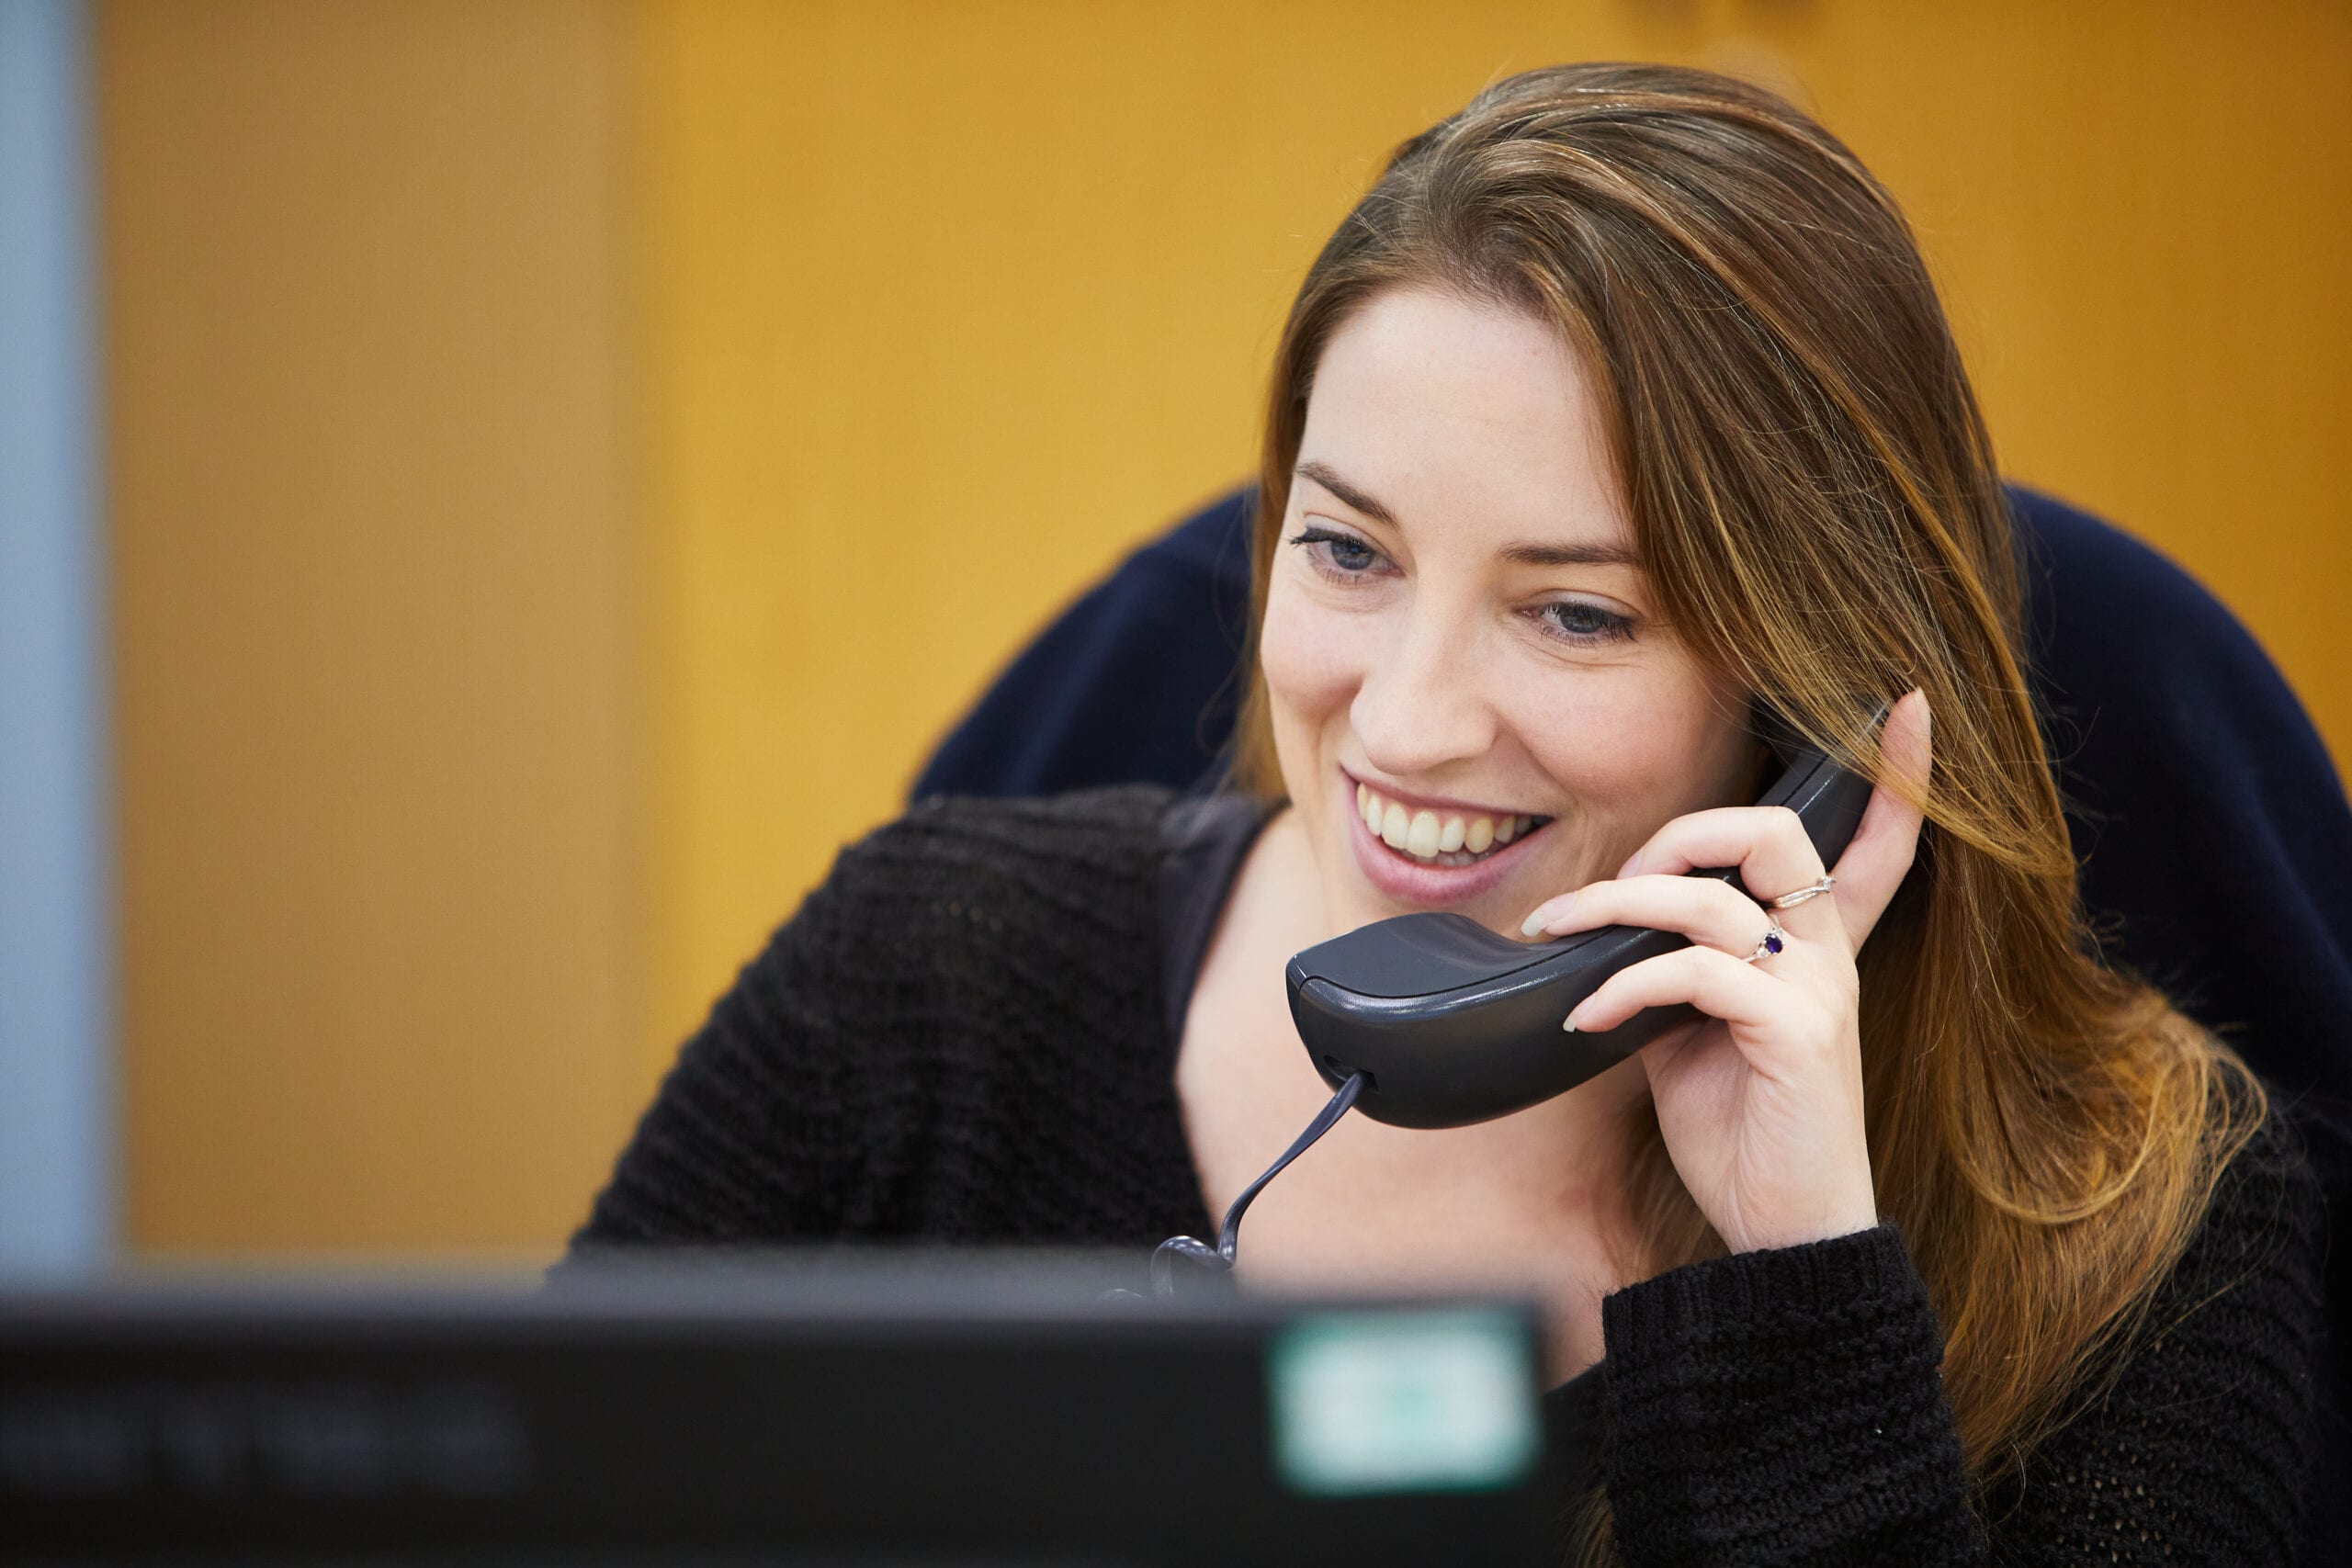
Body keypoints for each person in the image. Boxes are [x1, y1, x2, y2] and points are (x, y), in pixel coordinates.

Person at [569, 64, 2324, 1563]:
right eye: (1348, 550)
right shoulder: (923, 989)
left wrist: (1799, 1289)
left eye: (1577, 611)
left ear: (1824, 706)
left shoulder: (2136, 1246)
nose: (1400, 722)